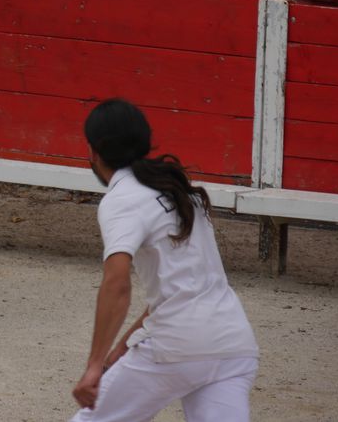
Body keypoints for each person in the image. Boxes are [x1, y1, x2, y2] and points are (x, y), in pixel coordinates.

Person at [70, 98, 259, 422]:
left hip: (175, 346)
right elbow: (180, 288)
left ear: (94, 151)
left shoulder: (122, 200)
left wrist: (93, 365)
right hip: (232, 344)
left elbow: (117, 284)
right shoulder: (177, 190)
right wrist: (123, 348)